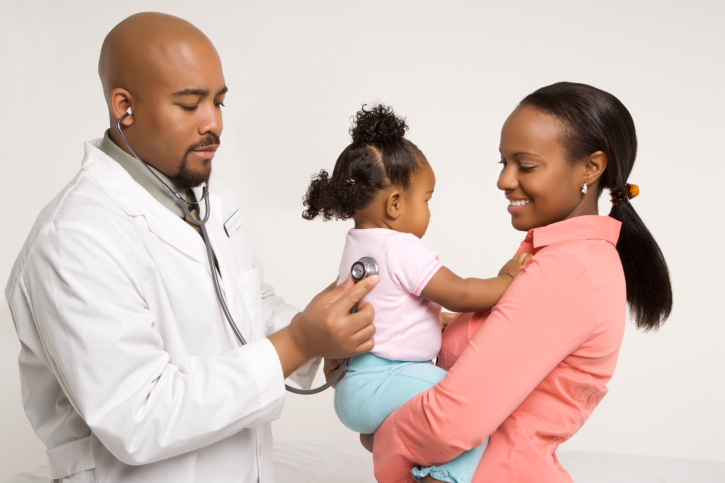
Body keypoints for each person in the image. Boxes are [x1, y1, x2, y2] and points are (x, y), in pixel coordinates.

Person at [4, 12, 377, 483]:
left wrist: (327, 333)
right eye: (189, 105)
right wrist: (299, 341)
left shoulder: (210, 195)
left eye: (219, 102)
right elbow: (138, 416)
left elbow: (246, 308)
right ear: (124, 106)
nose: (214, 123)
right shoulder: (73, 239)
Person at [366, 82, 673, 482]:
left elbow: (452, 422)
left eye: (525, 165)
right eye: (503, 163)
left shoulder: (569, 270)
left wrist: (380, 430)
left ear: (591, 168)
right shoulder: (551, 257)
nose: (505, 180)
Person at [304, 104, 531, 483]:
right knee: (472, 408)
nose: (429, 211)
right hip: (385, 379)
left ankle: (388, 442)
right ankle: (440, 479)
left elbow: (391, 305)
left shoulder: (358, 243)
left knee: (439, 416)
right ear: (395, 205)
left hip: (355, 386)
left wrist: (429, 319)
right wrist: (506, 281)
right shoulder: (400, 247)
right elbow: (459, 293)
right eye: (427, 199)